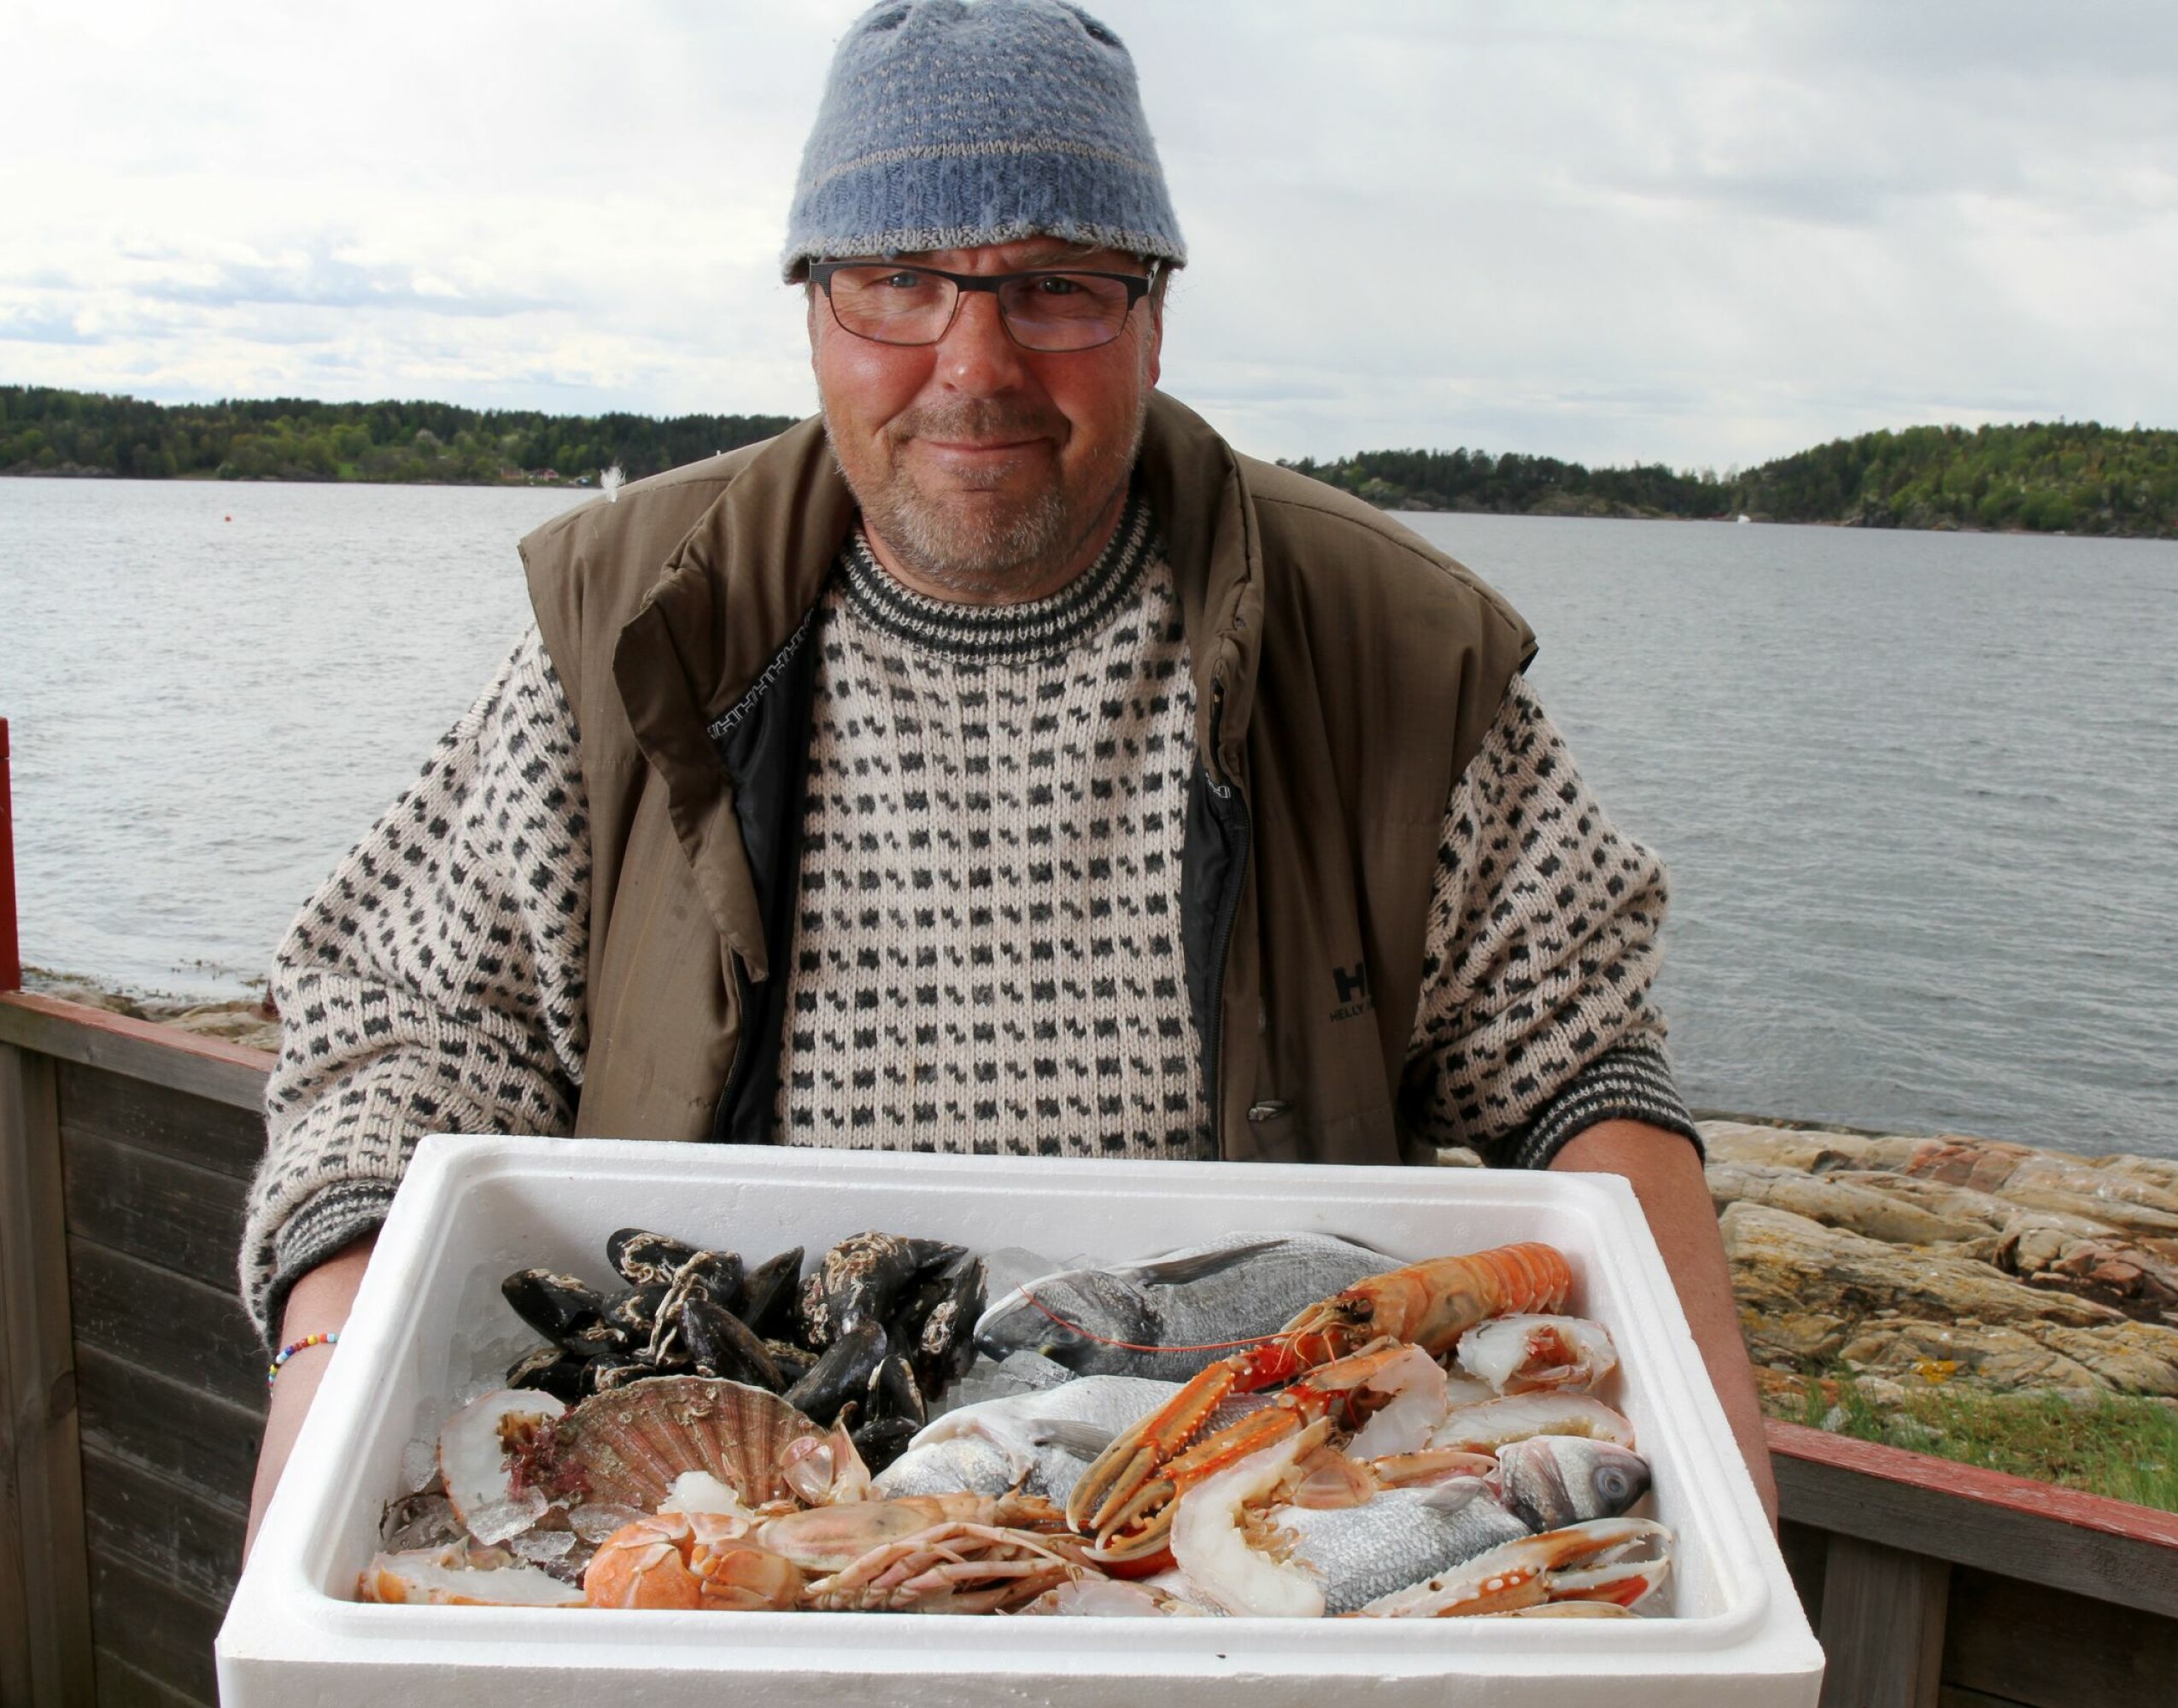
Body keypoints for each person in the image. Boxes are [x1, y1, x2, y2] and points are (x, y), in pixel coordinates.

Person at [238, 0, 1776, 1551]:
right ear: (812, 306)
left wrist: (1726, 1545)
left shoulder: (1392, 649)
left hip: (1226, 1537)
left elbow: (1585, 1071)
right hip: (729, 1555)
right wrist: (331, 1353)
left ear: (1154, 308)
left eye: (1056, 286)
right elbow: (403, 1014)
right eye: (899, 278)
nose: (974, 365)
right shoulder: (637, 628)